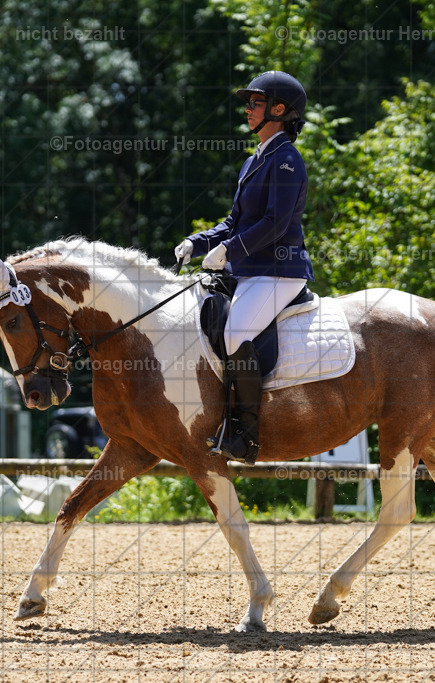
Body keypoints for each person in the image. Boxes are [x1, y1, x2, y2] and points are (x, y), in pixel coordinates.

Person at [174, 70, 314, 465]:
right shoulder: (255, 158)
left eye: (255, 102)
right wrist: (198, 242)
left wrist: (229, 251)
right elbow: (233, 221)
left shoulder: (286, 159)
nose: (248, 109)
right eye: (249, 103)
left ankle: (246, 435)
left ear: (279, 109)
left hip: (279, 270)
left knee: (235, 332)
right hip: (251, 269)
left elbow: (276, 223)